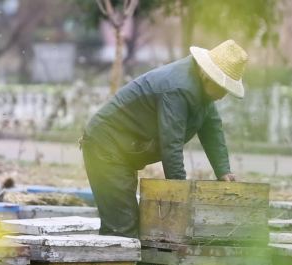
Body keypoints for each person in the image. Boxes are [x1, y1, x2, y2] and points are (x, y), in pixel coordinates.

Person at [81, 39, 248, 238]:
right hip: (105, 146)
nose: (223, 94)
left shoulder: (202, 92)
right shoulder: (178, 88)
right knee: (122, 229)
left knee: (128, 225)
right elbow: (172, 145)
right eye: (222, 87)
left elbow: (212, 128)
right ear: (206, 74)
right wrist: (181, 194)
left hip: (124, 150)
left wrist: (223, 170)